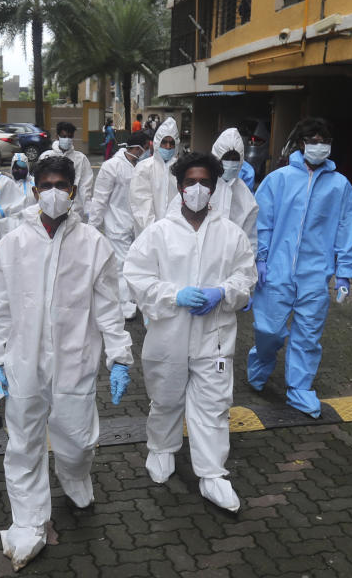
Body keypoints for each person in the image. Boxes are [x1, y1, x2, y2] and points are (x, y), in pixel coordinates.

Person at [0, 155, 134, 571]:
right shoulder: (11, 244)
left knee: (78, 442)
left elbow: (109, 308)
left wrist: (119, 355)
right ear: (33, 190)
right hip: (23, 361)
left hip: (75, 361)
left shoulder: (94, 245)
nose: (52, 193)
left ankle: (75, 475)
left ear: (74, 190)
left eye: (61, 185)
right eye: (45, 185)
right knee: (24, 444)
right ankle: (29, 520)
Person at [124, 152, 256, 512]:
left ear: (214, 188)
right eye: (190, 182)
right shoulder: (158, 233)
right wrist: (173, 295)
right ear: (179, 186)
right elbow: (136, 276)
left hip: (213, 335)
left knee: (213, 404)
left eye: (205, 183)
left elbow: (246, 277)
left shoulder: (230, 234)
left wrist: (223, 293)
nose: (197, 189)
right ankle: (162, 448)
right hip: (168, 334)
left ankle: (212, 474)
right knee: (166, 395)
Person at [246, 118, 352, 418]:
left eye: (324, 140)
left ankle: (299, 387)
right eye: (313, 140)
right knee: (268, 329)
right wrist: (260, 258)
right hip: (277, 270)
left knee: (308, 335)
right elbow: (262, 223)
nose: (318, 146)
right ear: (300, 143)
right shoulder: (278, 180)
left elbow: (347, 228)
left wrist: (345, 273)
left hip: (315, 274)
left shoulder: (340, 186)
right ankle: (261, 360)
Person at [89, 131, 150, 319]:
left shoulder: (142, 166)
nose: (148, 152)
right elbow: (100, 199)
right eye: (146, 149)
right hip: (116, 224)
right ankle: (125, 304)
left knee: (137, 263)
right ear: (138, 148)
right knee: (122, 264)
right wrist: (92, 227)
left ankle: (131, 299)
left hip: (137, 225)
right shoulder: (112, 166)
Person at [130, 116, 181, 237]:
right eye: (164, 142)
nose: (168, 147)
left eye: (171, 143)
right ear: (157, 142)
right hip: (149, 234)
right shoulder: (144, 168)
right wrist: (156, 233)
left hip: (174, 234)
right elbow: (141, 204)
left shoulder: (180, 169)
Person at [210, 128, 258, 253]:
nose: (230, 163)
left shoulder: (245, 195)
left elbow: (250, 237)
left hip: (233, 260)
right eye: (226, 158)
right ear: (217, 157)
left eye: (235, 159)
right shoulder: (203, 185)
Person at [50, 121, 94, 222]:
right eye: (64, 136)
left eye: (70, 137)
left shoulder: (81, 159)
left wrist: (88, 210)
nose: (67, 139)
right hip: (51, 210)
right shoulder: (47, 157)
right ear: (57, 136)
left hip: (75, 211)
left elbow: (85, 186)